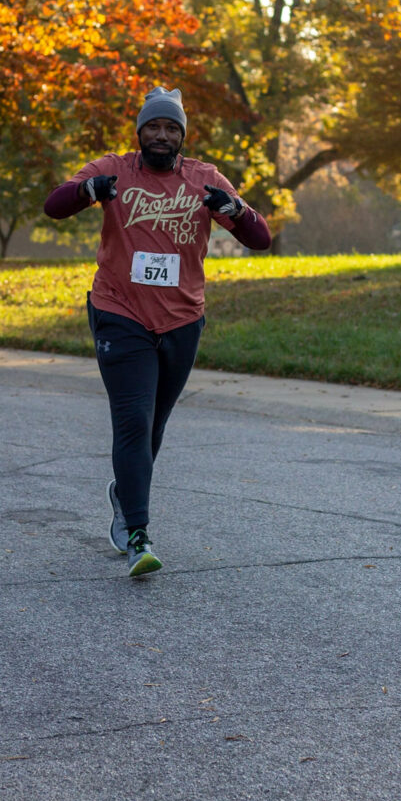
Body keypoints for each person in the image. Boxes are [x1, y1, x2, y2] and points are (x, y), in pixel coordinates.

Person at [44, 86, 271, 577]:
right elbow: (54, 204)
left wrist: (233, 209)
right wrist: (88, 190)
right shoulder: (114, 169)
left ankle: (126, 495)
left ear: (182, 135)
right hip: (119, 312)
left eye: (171, 128)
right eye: (154, 126)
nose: (162, 135)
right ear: (140, 132)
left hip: (183, 319)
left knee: (152, 427)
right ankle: (139, 536)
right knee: (132, 419)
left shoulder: (204, 178)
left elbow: (260, 238)